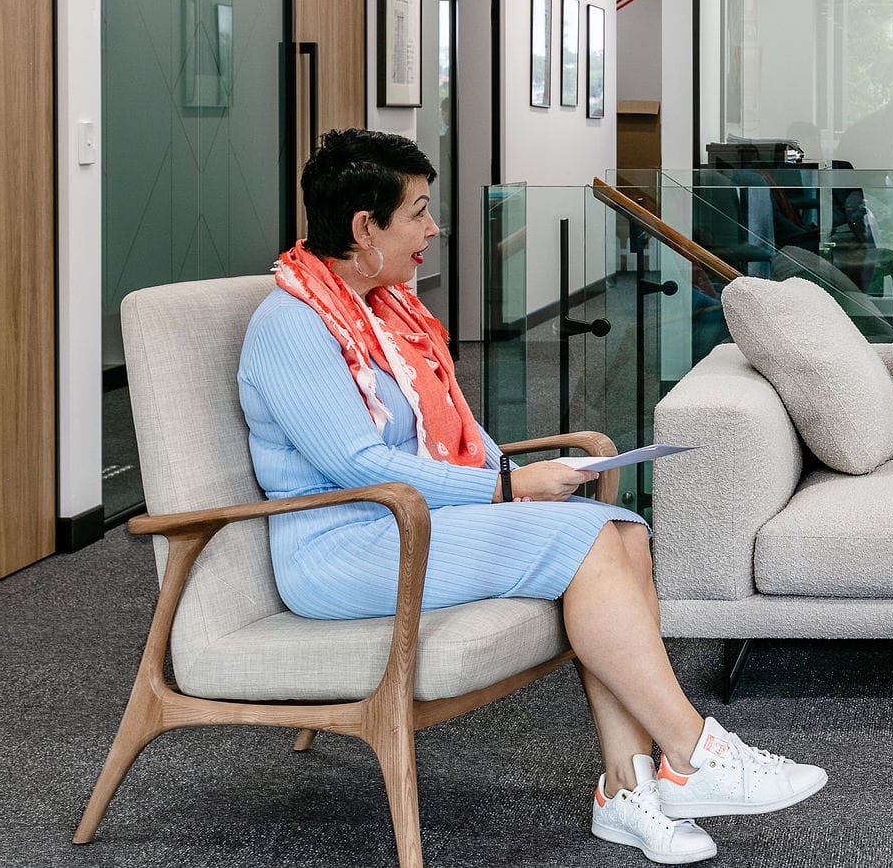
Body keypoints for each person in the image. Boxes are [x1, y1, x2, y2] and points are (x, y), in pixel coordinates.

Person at [239, 129, 824, 864]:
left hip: (412, 524)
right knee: (580, 537)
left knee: (621, 528)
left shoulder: (385, 313)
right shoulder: (292, 326)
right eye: (418, 212)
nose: (433, 228)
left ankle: (626, 786)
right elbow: (359, 466)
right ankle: (691, 748)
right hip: (343, 546)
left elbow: (451, 427)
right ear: (364, 227)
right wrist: (506, 487)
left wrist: (517, 473)